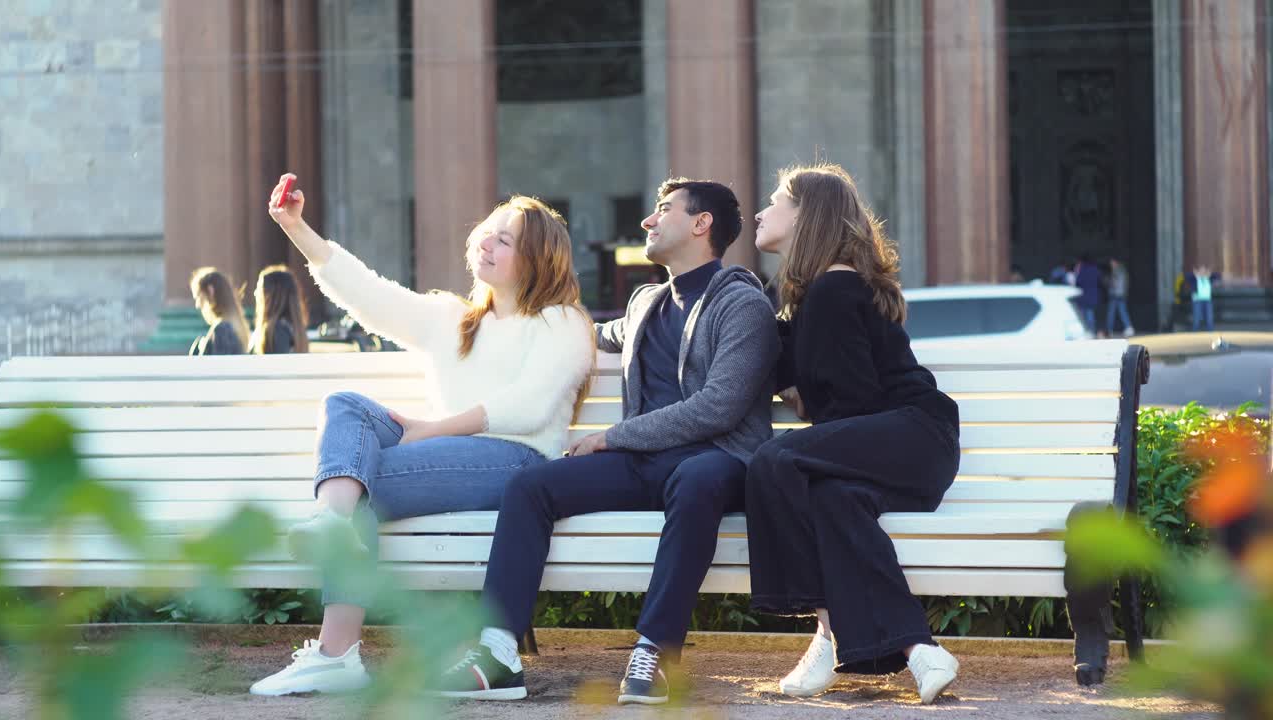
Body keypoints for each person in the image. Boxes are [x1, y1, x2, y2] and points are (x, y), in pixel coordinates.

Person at [435, 179, 779, 704]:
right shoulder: (647, 302)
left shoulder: (742, 304)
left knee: (695, 477)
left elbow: (720, 407)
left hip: (717, 462)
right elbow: (584, 335)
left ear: (700, 223)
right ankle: (498, 652)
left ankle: (655, 652)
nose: (648, 220)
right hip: (643, 464)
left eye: (663, 209)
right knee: (531, 487)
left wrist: (613, 436)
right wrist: (507, 320)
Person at [248, 178, 595, 696]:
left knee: (357, 480)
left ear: (538, 260)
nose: (488, 242)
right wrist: (296, 227)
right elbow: (368, 294)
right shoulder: (454, 318)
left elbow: (529, 407)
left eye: (507, 240)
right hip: (445, 454)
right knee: (345, 408)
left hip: (516, 461)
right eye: (490, 231)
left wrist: (433, 429)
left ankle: (335, 654)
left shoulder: (561, 321)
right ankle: (333, 524)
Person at [745, 163, 962, 705]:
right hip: (903, 448)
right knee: (833, 500)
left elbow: (856, 404)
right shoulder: (817, 294)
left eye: (774, 202)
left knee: (773, 462)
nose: (760, 212)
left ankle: (826, 626)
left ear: (805, 218)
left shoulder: (834, 289)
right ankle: (920, 651)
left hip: (911, 434)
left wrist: (801, 410)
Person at [188, 267, 249, 355]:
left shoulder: (222, 329)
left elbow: (219, 367)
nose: (197, 305)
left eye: (198, 297)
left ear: (210, 291)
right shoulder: (234, 325)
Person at [250, 264, 310, 354]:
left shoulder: (277, 330)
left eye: (260, 288)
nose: (256, 293)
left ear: (271, 295)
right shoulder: (295, 329)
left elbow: (277, 366)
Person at [1184, 265, 1220, 331]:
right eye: (1201, 271)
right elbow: (1186, 276)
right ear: (1198, 271)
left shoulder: (1208, 278)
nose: (1202, 272)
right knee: (1197, 317)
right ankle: (1195, 330)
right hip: (1197, 300)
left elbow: (1218, 276)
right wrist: (1195, 274)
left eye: (1204, 271)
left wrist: (1210, 273)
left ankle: (1210, 330)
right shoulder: (1194, 279)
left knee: (1209, 317)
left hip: (1207, 300)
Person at [1105, 258, 1133, 337]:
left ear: (1115, 262)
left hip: (1116, 294)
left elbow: (1114, 283)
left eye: (1112, 263)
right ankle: (1128, 327)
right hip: (1121, 294)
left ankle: (1109, 330)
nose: (1111, 265)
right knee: (1121, 311)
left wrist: (1108, 281)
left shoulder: (1117, 271)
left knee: (1112, 312)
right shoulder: (1123, 270)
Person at [1073, 254, 1100, 336]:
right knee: (1090, 314)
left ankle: (1086, 331)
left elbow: (1078, 282)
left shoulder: (1082, 270)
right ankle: (1092, 330)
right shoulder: (1095, 269)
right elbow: (1099, 280)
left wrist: (1076, 272)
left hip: (1084, 295)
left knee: (1083, 315)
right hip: (1093, 295)